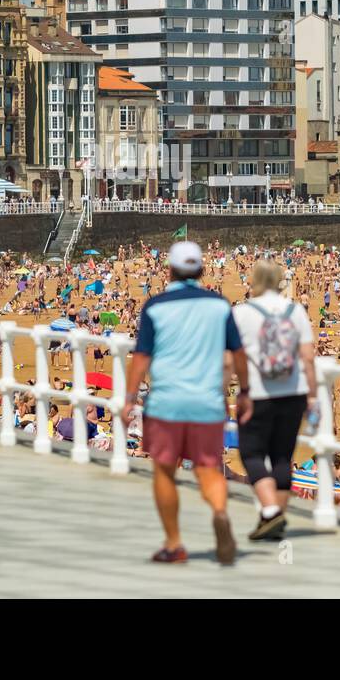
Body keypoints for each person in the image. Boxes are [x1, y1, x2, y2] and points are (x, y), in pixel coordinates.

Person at [123, 241, 248, 565]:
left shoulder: (155, 306)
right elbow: (237, 353)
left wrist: (129, 399)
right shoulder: (219, 305)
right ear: (202, 271)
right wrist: (245, 391)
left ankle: (175, 544)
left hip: (166, 402)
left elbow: (141, 356)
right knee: (208, 469)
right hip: (207, 402)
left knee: (164, 472)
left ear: (170, 271)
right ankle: (220, 513)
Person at [231, 259, 316, 541]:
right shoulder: (296, 310)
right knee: (283, 456)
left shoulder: (242, 312)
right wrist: (313, 395)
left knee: (251, 453)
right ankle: (274, 523)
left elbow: (231, 358)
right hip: (294, 392)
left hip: (258, 393)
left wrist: (233, 392)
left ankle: (270, 512)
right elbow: (307, 357)